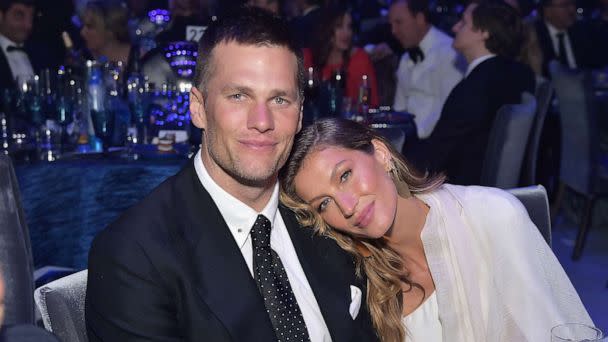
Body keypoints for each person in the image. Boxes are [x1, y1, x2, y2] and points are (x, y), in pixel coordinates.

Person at [85, 7, 377, 341]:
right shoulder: (135, 255)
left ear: (299, 117)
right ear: (198, 108)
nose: (262, 121)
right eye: (239, 96)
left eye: (280, 99)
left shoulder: (325, 215)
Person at [280, 117, 594, 342]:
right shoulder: (358, 278)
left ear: (380, 154)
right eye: (324, 204)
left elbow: (554, 331)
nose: (347, 206)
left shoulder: (492, 218)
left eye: (345, 175)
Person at [403, 0, 536, 185]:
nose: (456, 27)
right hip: (501, 189)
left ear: (484, 32)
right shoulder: (521, 74)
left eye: (464, 22)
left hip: (465, 192)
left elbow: (434, 158)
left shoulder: (474, 88)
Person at [388, 0, 464, 139]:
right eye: (391, 25)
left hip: (435, 143)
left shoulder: (449, 54)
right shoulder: (406, 58)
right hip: (407, 141)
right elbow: (399, 109)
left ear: (420, 19)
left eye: (399, 23)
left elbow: (449, 114)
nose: (394, 31)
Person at [304, 5, 379, 107]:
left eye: (349, 26)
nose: (347, 33)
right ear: (326, 29)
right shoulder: (308, 57)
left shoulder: (360, 59)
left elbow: (372, 104)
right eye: (339, 26)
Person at [534, 0, 606, 76]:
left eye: (573, 3)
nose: (572, 9)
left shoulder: (587, 32)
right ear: (547, 11)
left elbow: (599, 66)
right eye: (565, 5)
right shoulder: (534, 38)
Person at [80, 0, 138, 71]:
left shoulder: (141, 60)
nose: (82, 32)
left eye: (90, 26)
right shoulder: (85, 63)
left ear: (110, 30)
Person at [0, 0, 37, 91]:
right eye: (19, 16)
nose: (28, 25)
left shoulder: (41, 52)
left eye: (31, 17)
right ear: (0, 16)